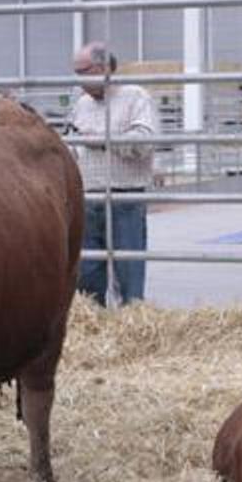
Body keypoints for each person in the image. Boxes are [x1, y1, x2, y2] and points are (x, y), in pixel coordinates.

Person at [68, 41, 159, 306]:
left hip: (125, 197)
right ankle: (95, 322)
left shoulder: (136, 97)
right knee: (87, 273)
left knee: (129, 270)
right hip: (88, 197)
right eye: (77, 73)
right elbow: (72, 142)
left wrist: (103, 139)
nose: (80, 80)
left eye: (84, 72)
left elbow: (144, 141)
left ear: (105, 68)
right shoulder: (81, 104)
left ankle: (131, 320)